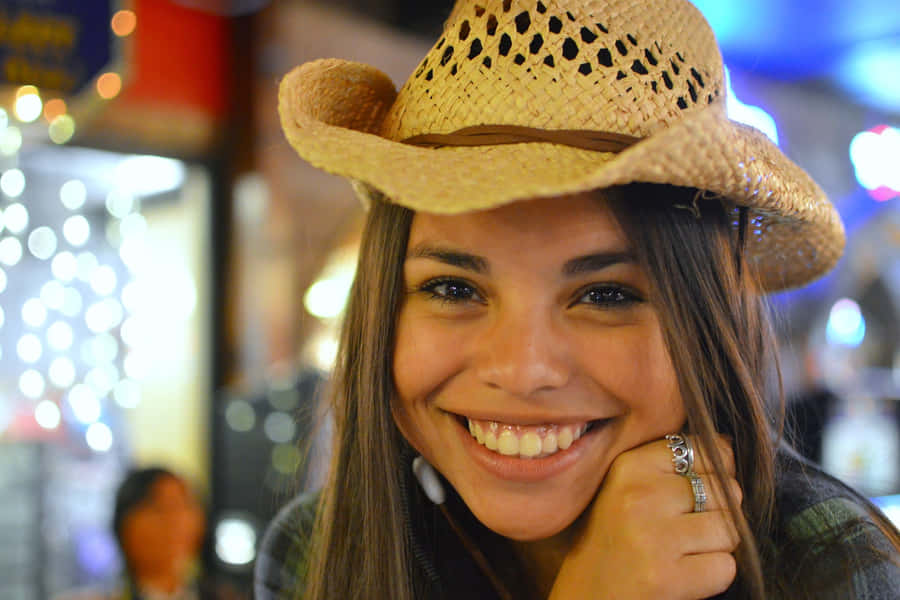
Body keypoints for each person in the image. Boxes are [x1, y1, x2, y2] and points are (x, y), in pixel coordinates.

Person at [257, 0, 900, 598]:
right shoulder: (311, 554)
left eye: (605, 293)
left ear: (707, 323)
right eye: (453, 288)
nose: (522, 369)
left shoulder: (831, 563)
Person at [111, 467, 238, 600]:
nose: (176, 520)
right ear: (125, 522)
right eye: (158, 508)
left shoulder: (223, 595)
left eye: (185, 504)